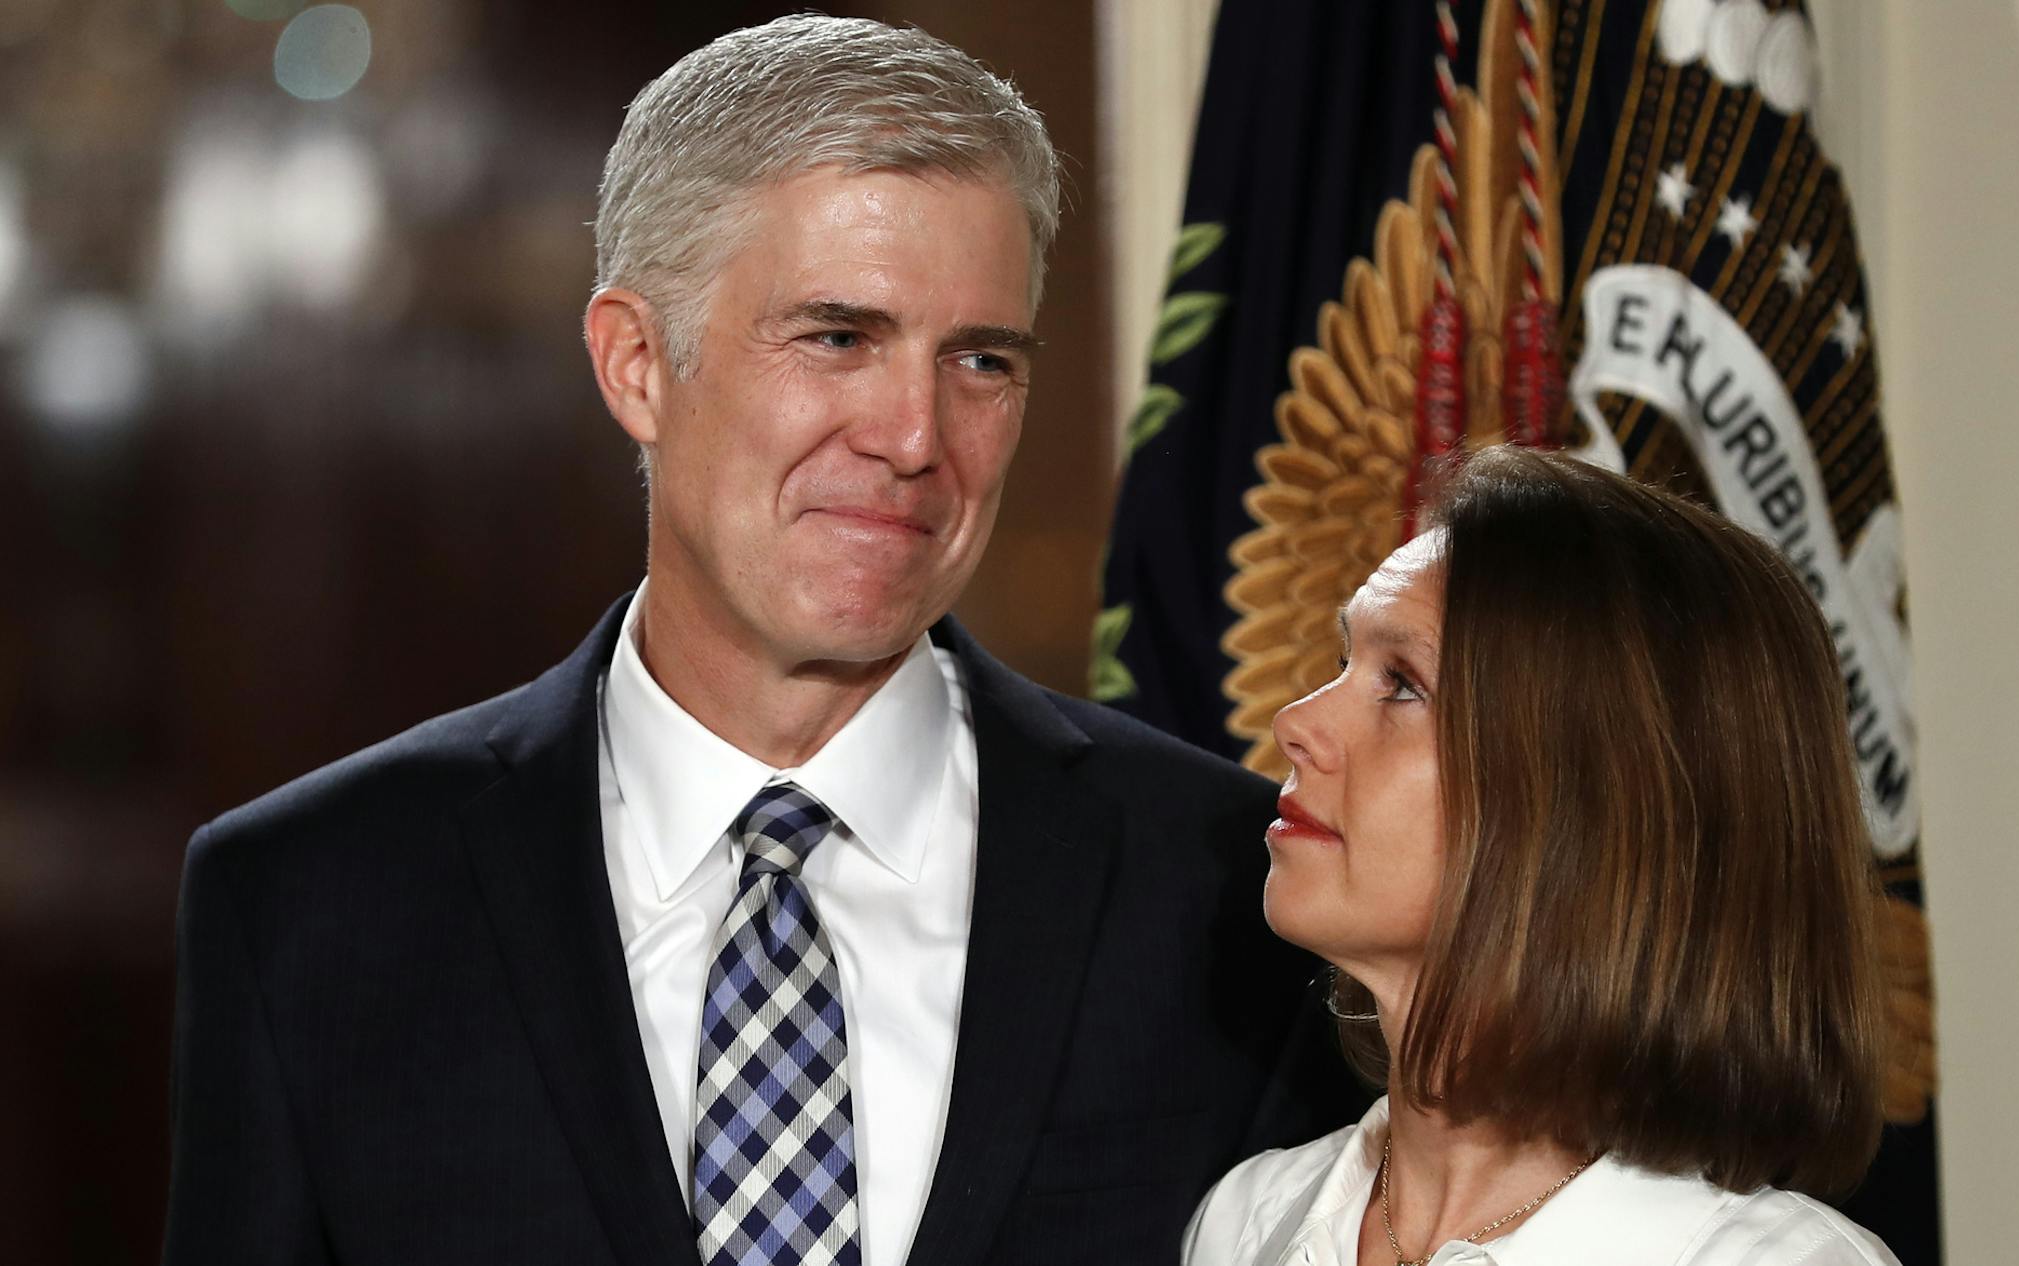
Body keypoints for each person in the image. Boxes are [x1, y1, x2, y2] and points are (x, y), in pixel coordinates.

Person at [163, 16, 1354, 1266]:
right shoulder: (313, 907)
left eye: (981, 360)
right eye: (838, 337)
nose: (913, 435)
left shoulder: (1237, 894)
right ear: (636, 364)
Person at [1184, 446, 1898, 1266]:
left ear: (1595, 809)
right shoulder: (1246, 1222)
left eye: (1403, 683)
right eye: (1344, 662)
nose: (1295, 723)